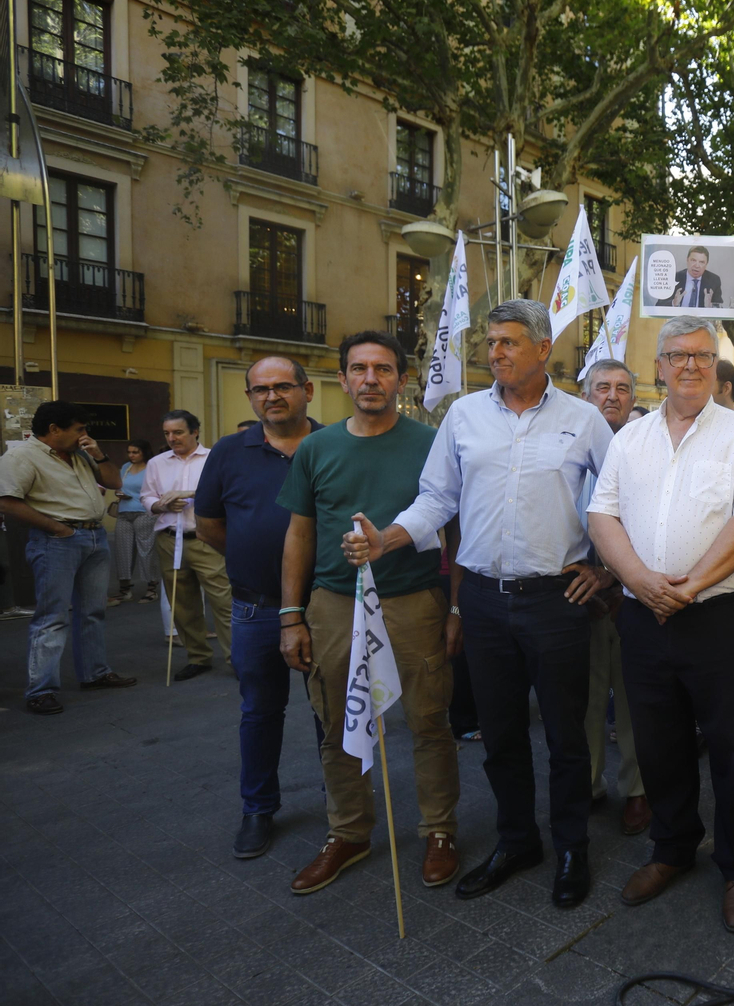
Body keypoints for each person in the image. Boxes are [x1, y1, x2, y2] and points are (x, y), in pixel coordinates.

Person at [344, 305, 611, 907]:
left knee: (566, 737)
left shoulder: (585, 419)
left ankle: (572, 847)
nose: (495, 352)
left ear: (542, 348)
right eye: (491, 342)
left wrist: (607, 570)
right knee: (501, 735)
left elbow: (619, 497)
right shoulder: (463, 416)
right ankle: (517, 841)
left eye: (509, 342)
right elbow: (437, 497)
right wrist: (387, 539)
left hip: (556, 602)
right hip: (485, 602)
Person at [588, 316, 734, 935]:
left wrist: (689, 586)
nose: (691, 365)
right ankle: (672, 847)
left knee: (732, 747)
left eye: (702, 355)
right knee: (658, 742)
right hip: (645, 617)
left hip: (720, 618)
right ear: (660, 367)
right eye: (678, 355)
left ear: (716, 366)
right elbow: (602, 516)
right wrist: (640, 582)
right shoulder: (631, 439)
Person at [277, 331, 458, 896]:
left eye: (383, 369)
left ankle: (439, 830)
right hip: (334, 604)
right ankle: (349, 832)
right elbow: (299, 533)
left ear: (401, 379)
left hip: (414, 602)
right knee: (338, 723)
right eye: (359, 368)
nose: (371, 379)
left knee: (429, 721)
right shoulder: (316, 448)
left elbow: (454, 529)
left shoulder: (432, 444)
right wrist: (291, 616)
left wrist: (456, 607)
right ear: (342, 379)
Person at [193, 357, 322, 861]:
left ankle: (345, 802)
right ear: (250, 397)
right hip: (255, 609)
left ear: (307, 390)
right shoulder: (229, 452)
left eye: (283, 386)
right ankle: (258, 809)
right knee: (260, 713)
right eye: (260, 389)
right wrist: (250, 558)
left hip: (326, 608)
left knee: (332, 712)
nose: (272, 396)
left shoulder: (334, 443)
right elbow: (208, 524)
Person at [0, 400, 137, 714]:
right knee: (53, 617)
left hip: (94, 537)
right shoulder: (21, 457)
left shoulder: (81, 453)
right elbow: (6, 501)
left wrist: (99, 454)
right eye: (79, 429)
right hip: (56, 542)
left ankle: (95, 673)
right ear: (54, 429)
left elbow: (115, 482)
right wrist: (57, 529)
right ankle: (41, 690)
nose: (84, 435)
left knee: (92, 611)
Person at [579, 358, 651, 836]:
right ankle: (587, 783)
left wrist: (619, 577)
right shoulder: (567, 449)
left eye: (622, 388)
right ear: (586, 396)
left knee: (634, 697)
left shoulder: (648, 449)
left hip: (633, 593)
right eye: (602, 387)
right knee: (584, 697)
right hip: (577, 591)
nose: (612, 396)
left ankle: (638, 790)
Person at [142, 409, 233, 680]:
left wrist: (192, 494)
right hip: (169, 538)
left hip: (206, 538)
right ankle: (198, 657)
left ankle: (237, 658)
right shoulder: (156, 463)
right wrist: (160, 505)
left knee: (224, 601)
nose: (172, 438)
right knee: (182, 604)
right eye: (167, 433)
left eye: (178, 432)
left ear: (195, 431)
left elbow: (228, 491)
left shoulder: (214, 458)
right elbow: (147, 496)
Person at [108, 439, 158, 606]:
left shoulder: (152, 467)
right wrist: (119, 493)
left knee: (146, 550)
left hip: (144, 512)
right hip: (124, 512)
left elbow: (157, 489)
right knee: (122, 551)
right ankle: (125, 589)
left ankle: (151, 587)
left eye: (135, 452)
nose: (131, 455)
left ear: (144, 452)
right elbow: (119, 485)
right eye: (129, 452)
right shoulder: (126, 467)